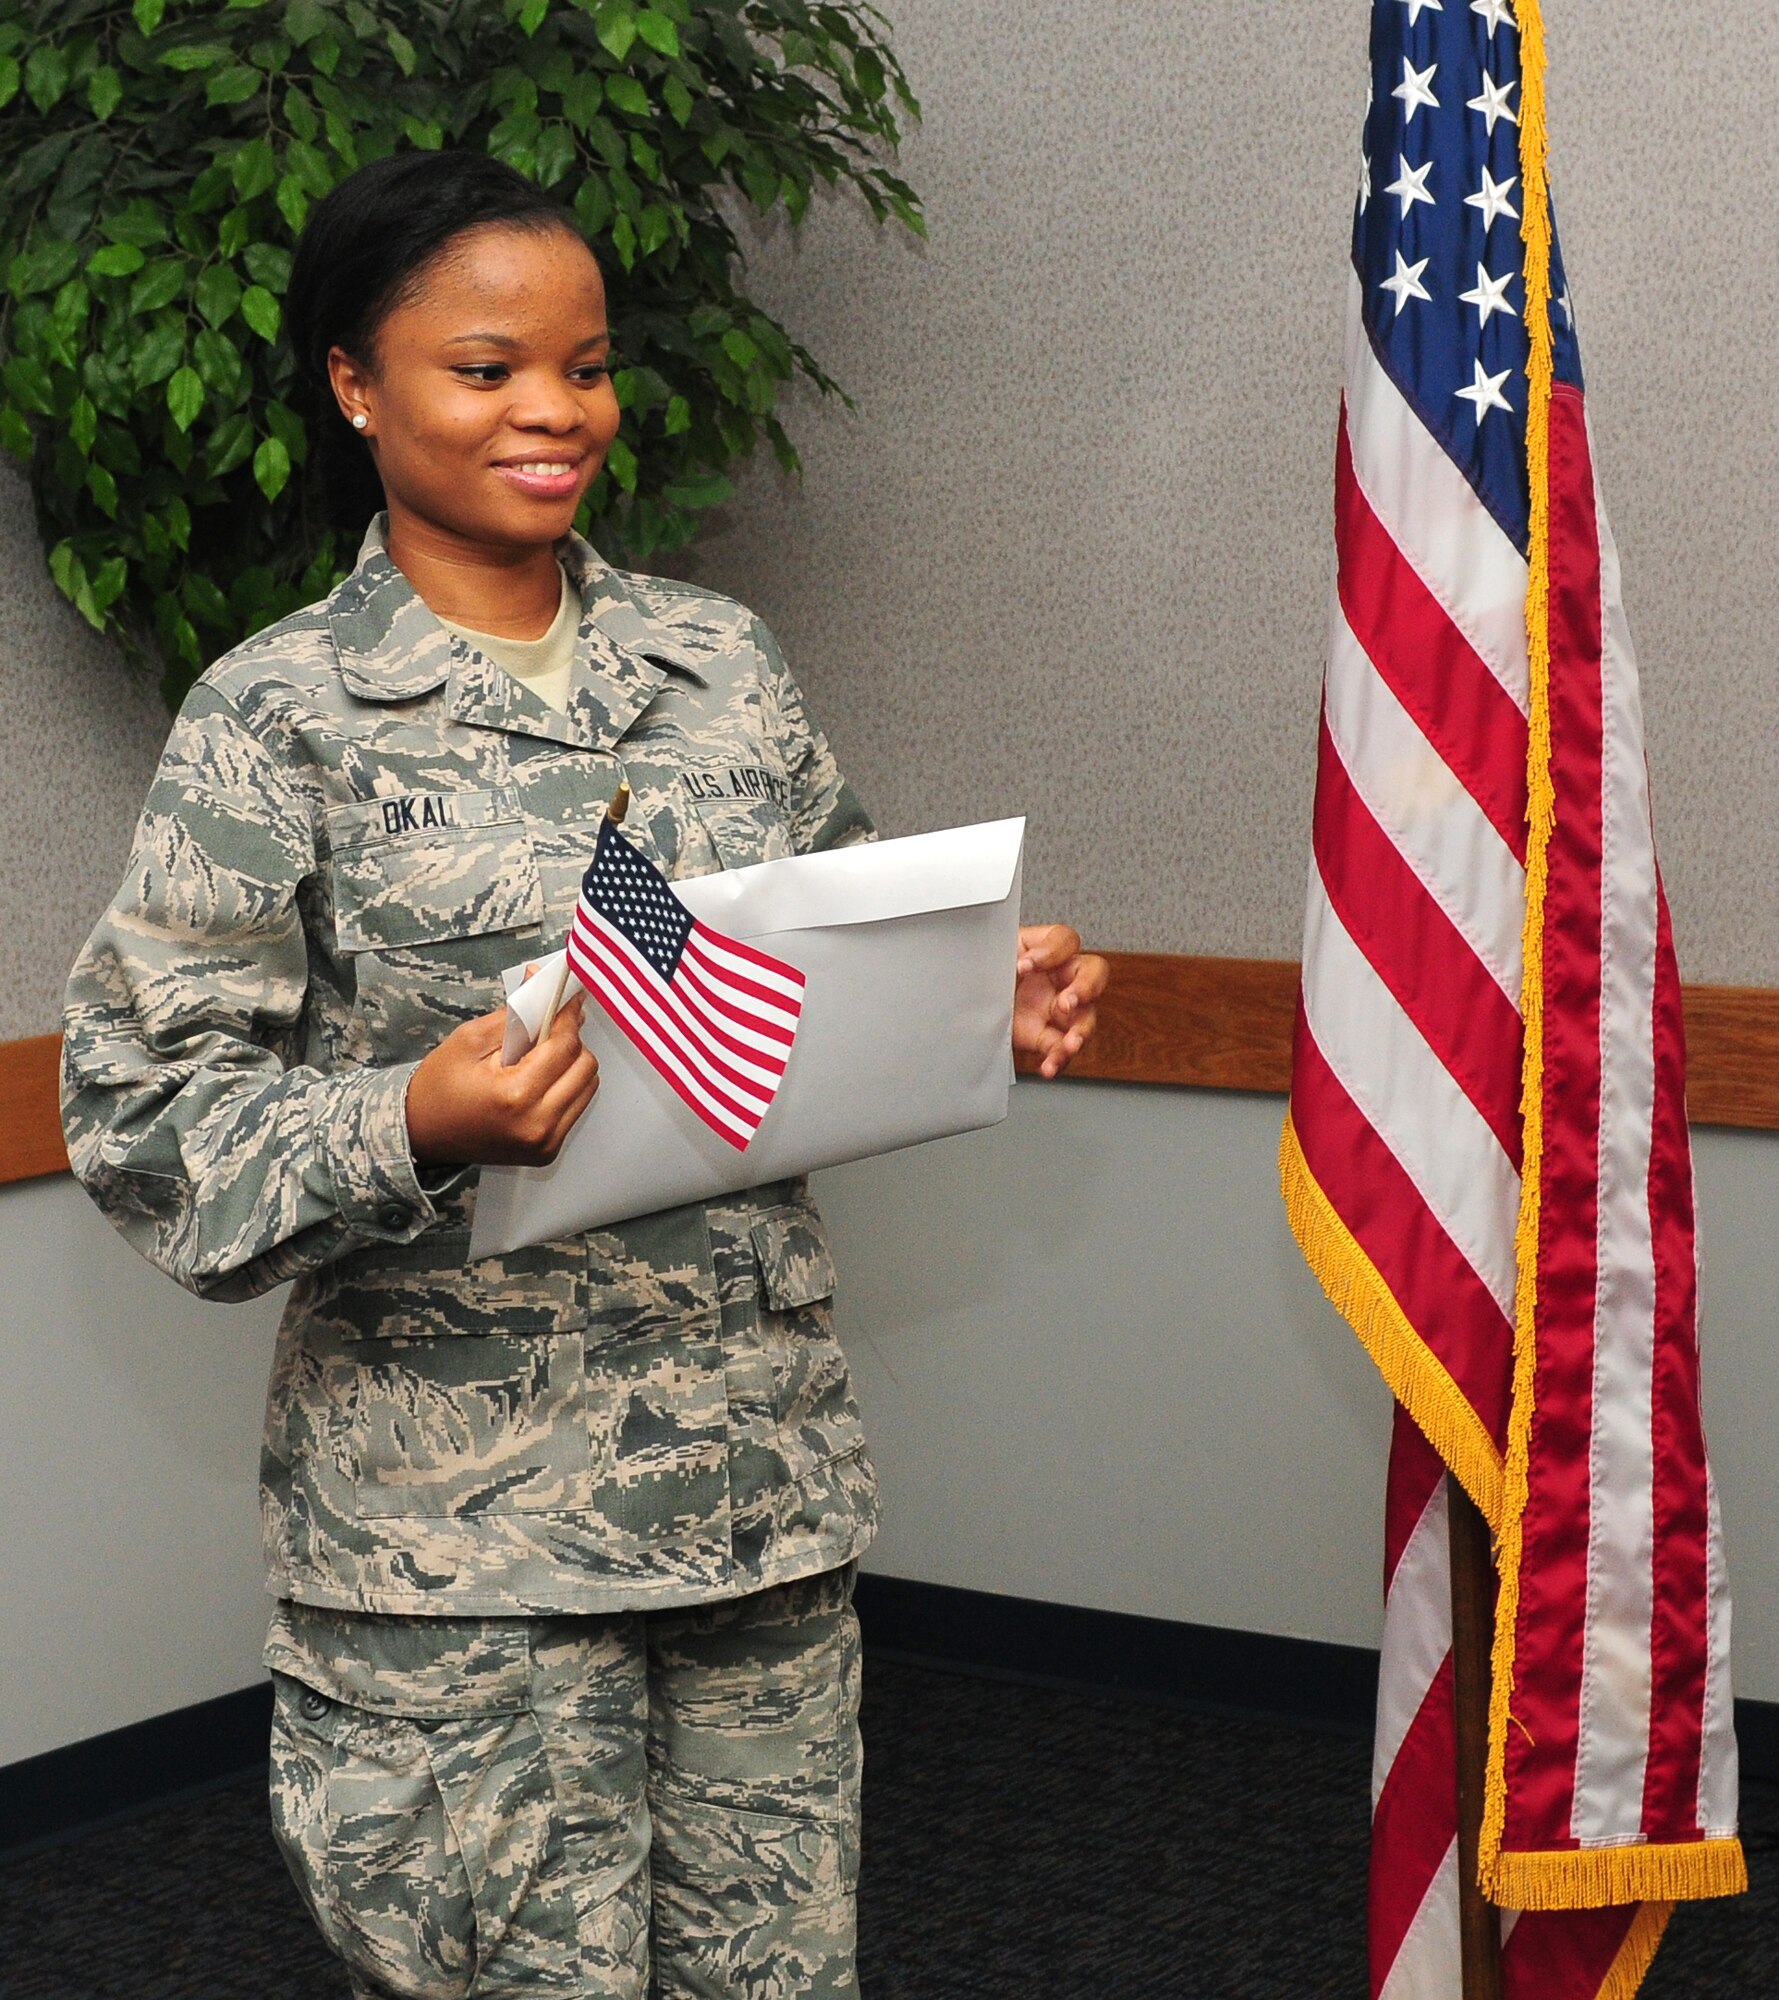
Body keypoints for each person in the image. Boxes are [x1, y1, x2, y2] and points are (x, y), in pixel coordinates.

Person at [60, 150, 1108, 2000]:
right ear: (355, 386)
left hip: (753, 1500)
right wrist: (414, 1119)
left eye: (588, 364)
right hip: (461, 1562)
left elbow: (808, 971)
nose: (556, 410)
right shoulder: (274, 716)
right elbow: (142, 1119)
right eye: (487, 368)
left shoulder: (719, 665)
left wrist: (977, 1004)